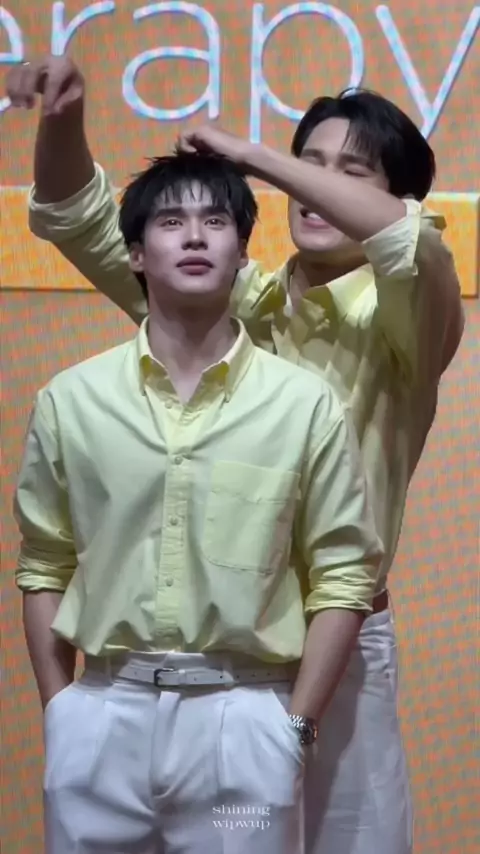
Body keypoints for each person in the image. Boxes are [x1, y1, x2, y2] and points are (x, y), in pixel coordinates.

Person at [7, 56, 464, 854]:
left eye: (348, 172)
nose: (315, 187)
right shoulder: (229, 292)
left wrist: (253, 156)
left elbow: (404, 236)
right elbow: (78, 216)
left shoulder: (407, 315)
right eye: (310, 162)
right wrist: (65, 116)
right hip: (208, 663)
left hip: (339, 637)